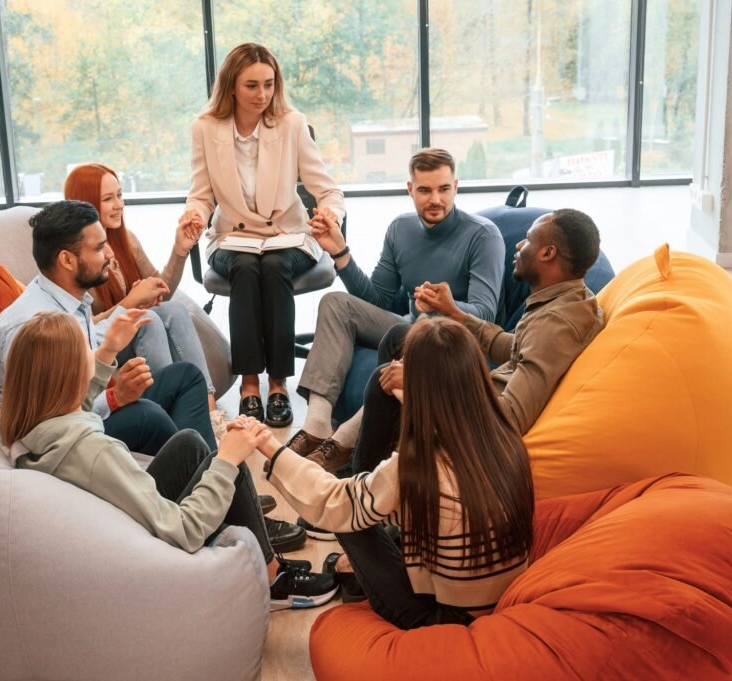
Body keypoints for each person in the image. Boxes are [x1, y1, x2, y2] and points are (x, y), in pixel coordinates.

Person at [0, 199, 306, 552]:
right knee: (150, 417)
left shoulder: (69, 305)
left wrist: (108, 352)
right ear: (66, 259)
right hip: (66, 441)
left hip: (68, 427)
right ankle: (230, 506)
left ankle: (225, 495)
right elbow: (47, 415)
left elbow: (63, 405)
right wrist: (113, 397)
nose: (110, 254)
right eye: (99, 247)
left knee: (186, 384)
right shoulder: (33, 326)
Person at [0, 310, 337, 611]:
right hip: (150, 548)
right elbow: (183, 531)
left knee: (189, 443)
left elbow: (75, 405)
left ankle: (247, 525)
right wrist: (228, 460)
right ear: (69, 374)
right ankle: (274, 580)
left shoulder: (37, 429)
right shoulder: (95, 452)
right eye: (86, 348)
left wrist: (107, 351)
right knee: (226, 465)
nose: (93, 350)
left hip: (116, 529)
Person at [256, 317, 534, 629]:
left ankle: (355, 571)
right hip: (490, 599)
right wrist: (413, 398)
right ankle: (358, 562)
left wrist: (269, 446)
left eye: (406, 366)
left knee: (347, 513)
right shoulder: (505, 437)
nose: (398, 367)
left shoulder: (419, 467)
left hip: (439, 619)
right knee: (373, 502)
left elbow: (333, 501)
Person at [288, 148, 504, 471]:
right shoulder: (400, 229)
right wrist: (341, 253)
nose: (436, 200)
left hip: (455, 342)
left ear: (456, 187)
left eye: (444, 189)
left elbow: (485, 315)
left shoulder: (483, 236)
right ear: (410, 189)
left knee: (406, 331)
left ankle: (345, 439)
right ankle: (317, 426)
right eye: (425, 190)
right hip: (406, 327)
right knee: (335, 303)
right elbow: (379, 300)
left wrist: (448, 307)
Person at [351, 208, 606, 477]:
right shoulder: (568, 300)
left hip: (478, 423)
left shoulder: (556, 325)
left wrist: (422, 383)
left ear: (547, 253)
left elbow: (510, 416)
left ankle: (364, 487)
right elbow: (516, 349)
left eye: (529, 239)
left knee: (385, 377)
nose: (519, 245)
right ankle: (389, 457)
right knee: (401, 337)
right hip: (485, 393)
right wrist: (455, 313)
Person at [181, 42, 345, 427]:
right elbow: (201, 194)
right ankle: (250, 383)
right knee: (244, 266)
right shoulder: (205, 128)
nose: (262, 94)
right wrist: (195, 215)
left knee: (272, 266)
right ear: (231, 86)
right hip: (233, 238)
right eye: (252, 85)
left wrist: (329, 214)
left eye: (269, 84)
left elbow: (328, 190)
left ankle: (278, 384)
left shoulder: (291, 124)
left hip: (287, 235)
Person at [64, 162, 226, 439]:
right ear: (86, 203)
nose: (119, 205)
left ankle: (210, 414)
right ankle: (171, 407)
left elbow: (162, 291)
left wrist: (179, 250)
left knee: (173, 309)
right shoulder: (76, 258)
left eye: (120, 195)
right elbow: (84, 327)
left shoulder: (126, 239)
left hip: (132, 339)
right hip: (105, 351)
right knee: (146, 318)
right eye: (108, 199)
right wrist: (129, 303)